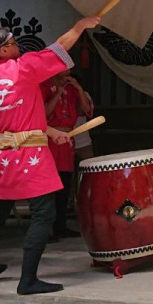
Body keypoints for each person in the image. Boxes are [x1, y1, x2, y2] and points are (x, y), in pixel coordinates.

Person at [0, 15, 100, 295]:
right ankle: (27, 279)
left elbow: (17, 116)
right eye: (13, 43)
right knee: (44, 213)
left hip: (3, 157)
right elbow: (59, 47)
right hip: (30, 155)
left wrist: (50, 131)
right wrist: (79, 27)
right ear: (2, 50)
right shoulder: (21, 69)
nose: (18, 46)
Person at [42, 70, 93, 240]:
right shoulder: (44, 87)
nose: (68, 73)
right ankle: (45, 228)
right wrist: (57, 94)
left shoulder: (72, 90)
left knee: (64, 186)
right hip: (50, 139)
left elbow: (87, 109)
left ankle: (60, 226)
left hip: (67, 141)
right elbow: (43, 114)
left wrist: (78, 88)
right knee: (48, 188)